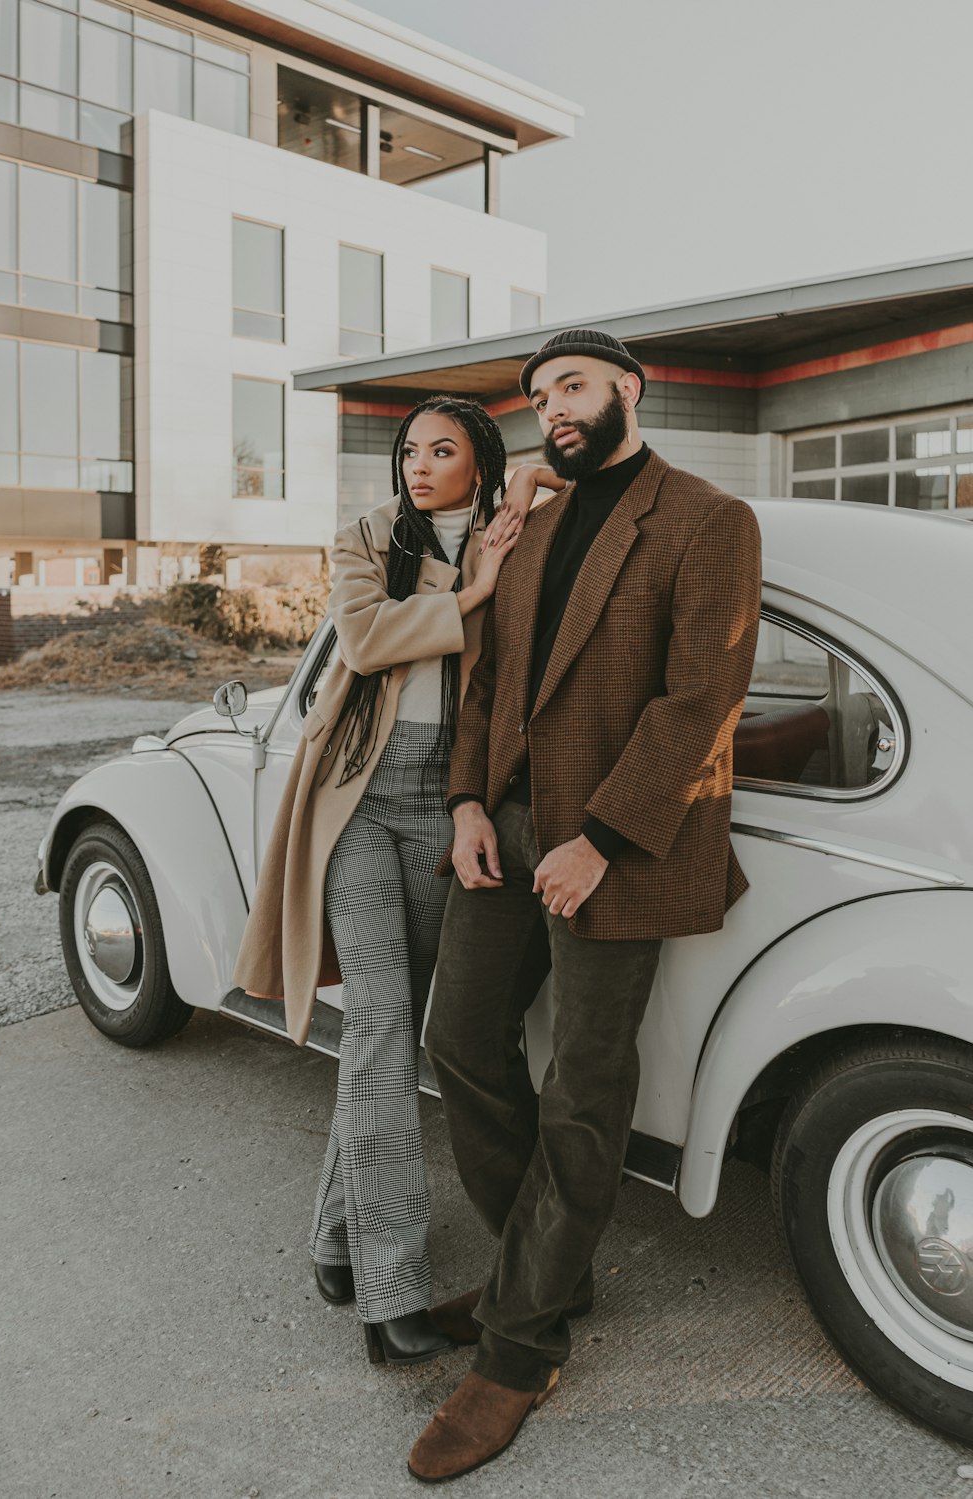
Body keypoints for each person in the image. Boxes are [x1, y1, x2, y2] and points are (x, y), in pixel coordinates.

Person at [407, 329, 763, 1480]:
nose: (552, 406)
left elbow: (701, 694)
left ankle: (520, 1347)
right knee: (458, 1038)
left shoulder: (708, 516)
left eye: (571, 385)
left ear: (627, 390)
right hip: (503, 832)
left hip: (622, 845)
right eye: (540, 394)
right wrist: (467, 800)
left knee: (583, 1092)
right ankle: (546, 1268)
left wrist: (602, 839)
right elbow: (490, 675)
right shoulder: (536, 519)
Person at [232, 396, 535, 1369]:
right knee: (373, 1027)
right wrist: (473, 593)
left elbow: (566, 479)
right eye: (410, 448)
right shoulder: (363, 538)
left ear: (478, 461)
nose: (418, 463)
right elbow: (363, 642)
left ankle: (333, 1236)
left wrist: (521, 496)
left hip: (455, 803)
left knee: (395, 1032)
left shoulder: (509, 533)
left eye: (443, 449)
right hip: (360, 799)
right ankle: (390, 1287)